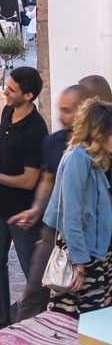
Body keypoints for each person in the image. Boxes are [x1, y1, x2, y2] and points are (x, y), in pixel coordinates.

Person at [0, 67, 48, 342]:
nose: (5, 91)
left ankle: (35, 328)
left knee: (31, 270)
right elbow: (1, 149)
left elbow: (29, 181)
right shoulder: (7, 112)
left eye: (12, 90)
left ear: (28, 96)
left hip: (23, 210)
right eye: (7, 86)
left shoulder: (36, 131)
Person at [9, 85, 88, 321]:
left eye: (68, 110)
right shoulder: (54, 142)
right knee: (35, 290)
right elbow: (47, 180)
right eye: (60, 110)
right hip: (54, 228)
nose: (62, 116)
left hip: (85, 232)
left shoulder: (94, 146)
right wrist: (36, 209)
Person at [43, 100, 112, 317]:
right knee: (81, 320)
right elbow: (70, 216)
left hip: (98, 252)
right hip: (84, 252)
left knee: (98, 318)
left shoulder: (97, 158)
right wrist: (80, 264)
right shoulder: (77, 159)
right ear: (100, 132)